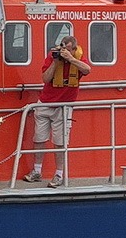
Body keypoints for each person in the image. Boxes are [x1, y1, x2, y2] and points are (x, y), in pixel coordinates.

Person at [24, 35, 92, 188]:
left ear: (74, 49)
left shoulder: (79, 59)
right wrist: (56, 62)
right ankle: (37, 170)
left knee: (60, 142)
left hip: (64, 106)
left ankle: (59, 174)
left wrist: (71, 59)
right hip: (45, 103)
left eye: (68, 50)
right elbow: (46, 78)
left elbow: (87, 70)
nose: (64, 52)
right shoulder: (53, 56)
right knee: (39, 138)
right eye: (63, 49)